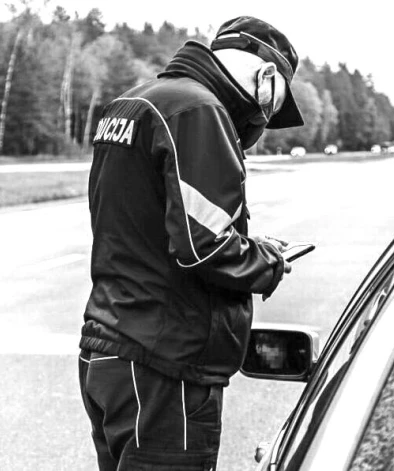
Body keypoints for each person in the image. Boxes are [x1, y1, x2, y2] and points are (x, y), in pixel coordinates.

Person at [78, 16, 305, 470]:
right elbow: (206, 247)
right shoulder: (200, 112)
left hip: (108, 350)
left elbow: (149, 225)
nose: (265, 120)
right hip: (165, 366)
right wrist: (269, 261)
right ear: (266, 77)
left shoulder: (136, 102)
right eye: (274, 104)